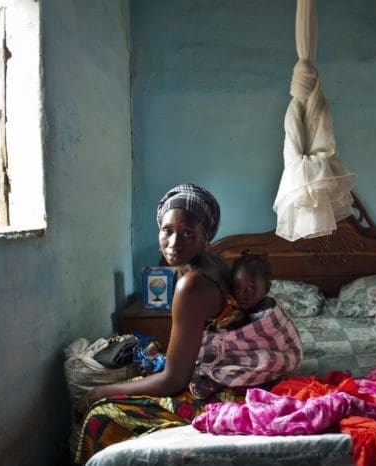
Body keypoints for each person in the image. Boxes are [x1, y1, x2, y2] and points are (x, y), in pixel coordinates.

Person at [73, 184, 303, 463]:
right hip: (240, 374)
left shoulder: (190, 286)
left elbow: (174, 379)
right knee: (132, 383)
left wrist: (99, 392)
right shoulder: (214, 263)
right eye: (167, 231)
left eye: (188, 234)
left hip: (228, 391)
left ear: (206, 236)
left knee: (102, 415)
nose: (174, 243)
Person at [189, 250, 280, 399]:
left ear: (267, 288)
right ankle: (213, 375)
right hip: (241, 357)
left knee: (266, 361)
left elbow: (270, 342)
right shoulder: (233, 306)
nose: (243, 294)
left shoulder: (269, 312)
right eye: (238, 288)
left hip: (263, 356)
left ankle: (217, 382)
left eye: (251, 287)